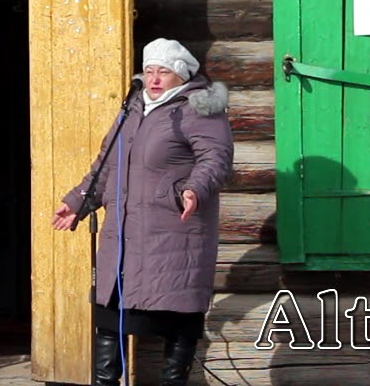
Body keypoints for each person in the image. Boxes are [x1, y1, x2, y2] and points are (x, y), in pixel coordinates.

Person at [52, 38, 234, 386]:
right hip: (124, 234)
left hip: (174, 233)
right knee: (111, 313)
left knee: (177, 317)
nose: (153, 79)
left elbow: (216, 158)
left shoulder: (200, 107)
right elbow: (106, 166)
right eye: (149, 70)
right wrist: (78, 200)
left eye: (163, 72)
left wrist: (194, 189)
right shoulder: (132, 107)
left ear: (180, 75)